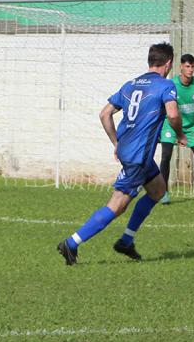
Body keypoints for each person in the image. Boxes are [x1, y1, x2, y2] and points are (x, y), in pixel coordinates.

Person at [57, 42, 184, 265]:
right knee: (117, 204)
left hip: (130, 150)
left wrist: (117, 142)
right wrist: (180, 134)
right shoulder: (166, 86)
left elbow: (105, 113)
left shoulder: (130, 84)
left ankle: (126, 241)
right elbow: (173, 115)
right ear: (169, 63)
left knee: (158, 190)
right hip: (138, 156)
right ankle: (71, 243)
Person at [158, 53, 194, 205]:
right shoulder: (171, 84)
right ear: (181, 67)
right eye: (187, 66)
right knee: (166, 157)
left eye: (192, 67)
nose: (190, 70)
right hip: (170, 124)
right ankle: (164, 192)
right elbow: (163, 105)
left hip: (191, 127)